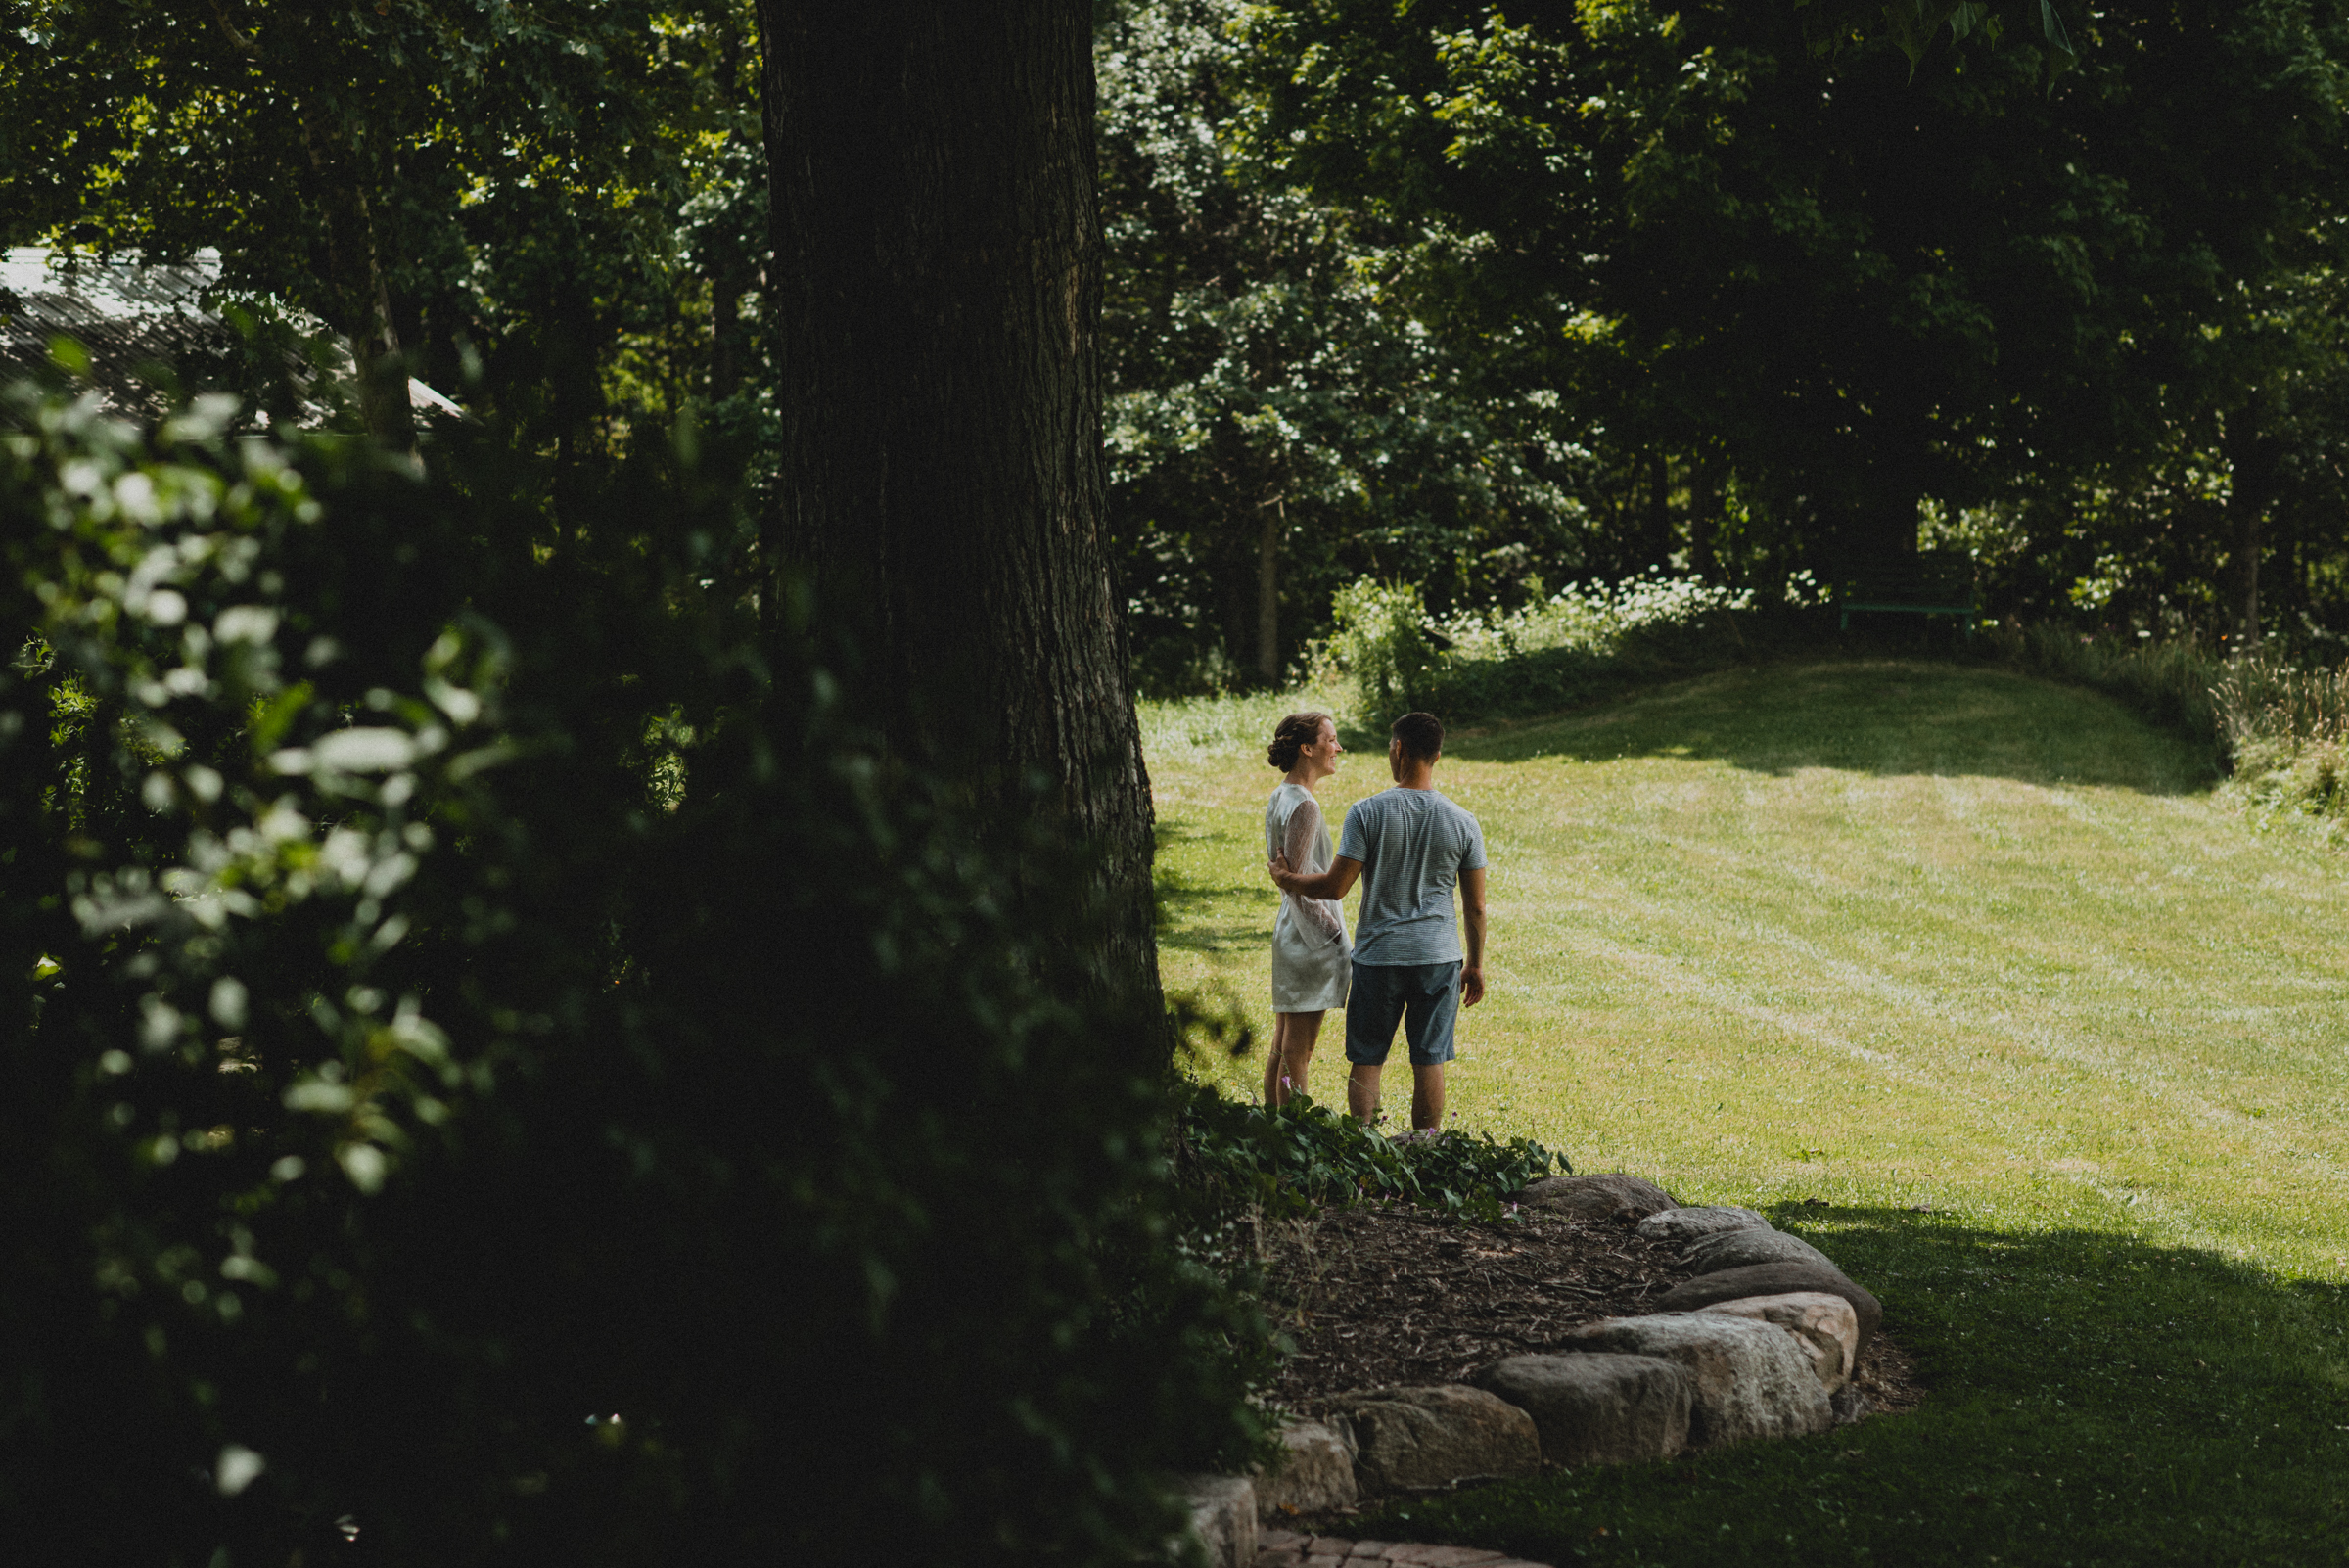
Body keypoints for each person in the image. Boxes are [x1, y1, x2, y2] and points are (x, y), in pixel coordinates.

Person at [1269, 711, 1485, 1130]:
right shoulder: (1464, 822)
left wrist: (1288, 878)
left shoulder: (1367, 812)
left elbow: (1335, 886)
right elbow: (1475, 906)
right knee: (1429, 1058)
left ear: (1399, 749)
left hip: (1378, 956)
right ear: (1437, 756)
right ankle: (1425, 1148)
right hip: (1438, 958)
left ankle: (1365, 1145)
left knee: (1368, 1057)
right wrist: (1475, 964)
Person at [1261, 711, 1350, 1106]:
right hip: (1308, 940)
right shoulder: (1304, 805)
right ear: (1306, 748)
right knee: (1298, 1052)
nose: (1337, 747)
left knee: (1282, 1048)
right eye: (1330, 739)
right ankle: (1295, 1141)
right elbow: (1299, 886)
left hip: (1291, 934)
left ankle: (1273, 1131)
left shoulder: (1281, 795)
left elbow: (1287, 876)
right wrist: (1333, 936)